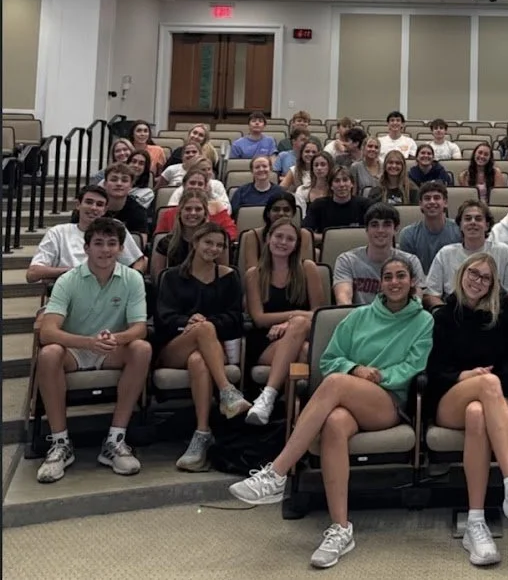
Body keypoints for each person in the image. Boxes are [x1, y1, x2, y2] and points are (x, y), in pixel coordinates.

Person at [229, 257, 434, 569]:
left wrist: (377, 376)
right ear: (380, 283)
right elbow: (330, 359)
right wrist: (356, 369)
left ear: (411, 282)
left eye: (401, 276)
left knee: (337, 383)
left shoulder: (424, 321)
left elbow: (415, 365)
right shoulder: (358, 317)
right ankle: (340, 529)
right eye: (388, 277)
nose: (394, 282)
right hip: (349, 398)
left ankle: (277, 472)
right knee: (335, 423)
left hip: (388, 401)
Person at [426, 252, 508, 564]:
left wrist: (495, 382)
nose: (478, 281)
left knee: (479, 412)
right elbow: (432, 368)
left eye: (485, 278)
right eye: (473, 273)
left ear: (493, 284)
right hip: (451, 396)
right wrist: (464, 376)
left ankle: (476, 522)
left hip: (497, 398)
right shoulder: (443, 315)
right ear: (461, 273)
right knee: (486, 386)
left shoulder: (506, 311)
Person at [34, 218, 151, 483]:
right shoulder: (68, 280)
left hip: (111, 348)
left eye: (112, 244)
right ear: (86, 248)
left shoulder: (132, 278)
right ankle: (61, 444)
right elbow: (48, 331)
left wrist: (115, 338)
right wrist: (87, 342)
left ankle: (115, 440)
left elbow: (139, 328)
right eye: (98, 243)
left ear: (121, 249)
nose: (105, 250)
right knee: (49, 352)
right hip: (75, 349)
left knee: (141, 348)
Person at [154, 223, 248, 470]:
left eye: (219, 245)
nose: (214, 249)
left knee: (198, 359)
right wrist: (190, 322)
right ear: (195, 243)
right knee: (203, 330)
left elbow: (235, 318)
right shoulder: (172, 276)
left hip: (210, 350)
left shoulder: (229, 276)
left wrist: (205, 324)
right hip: (173, 348)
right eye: (208, 242)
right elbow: (163, 318)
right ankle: (227, 392)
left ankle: (202, 434)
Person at [245, 218, 326, 426]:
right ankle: (298, 423)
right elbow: (259, 318)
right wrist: (296, 316)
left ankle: (268, 398)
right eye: (278, 236)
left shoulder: (307, 268)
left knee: (300, 339)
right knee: (302, 346)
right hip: (265, 342)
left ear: (296, 245)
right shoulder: (254, 274)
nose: (283, 242)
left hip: (301, 335)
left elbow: (320, 312)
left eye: (290, 239)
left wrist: (291, 324)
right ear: (268, 239)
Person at [28, 186, 144, 282]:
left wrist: (132, 280)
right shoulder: (58, 232)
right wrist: (74, 272)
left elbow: (140, 261)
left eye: (99, 204)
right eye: (89, 202)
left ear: (105, 210)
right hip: (68, 289)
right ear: (78, 205)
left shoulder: (115, 228)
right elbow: (32, 274)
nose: (94, 208)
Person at [427, 200, 508, 306]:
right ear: (460, 225)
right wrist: (445, 314)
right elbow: (432, 295)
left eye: (478, 219)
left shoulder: (503, 252)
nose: (473, 222)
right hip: (454, 314)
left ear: (487, 225)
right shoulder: (445, 254)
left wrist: (499, 314)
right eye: (467, 219)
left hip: (494, 315)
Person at [332, 203, 429, 305]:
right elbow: (344, 302)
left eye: (387, 225)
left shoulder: (411, 261)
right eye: (374, 225)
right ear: (366, 229)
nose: (380, 230)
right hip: (360, 318)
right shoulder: (347, 261)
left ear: (395, 229)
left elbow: (416, 302)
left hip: (400, 318)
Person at [240, 192, 314, 274]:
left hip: (294, 281)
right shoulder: (252, 235)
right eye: (276, 209)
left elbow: (300, 269)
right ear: (268, 213)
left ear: (293, 213)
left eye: (286, 210)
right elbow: (252, 270)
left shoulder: (303, 235)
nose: (281, 213)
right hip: (261, 281)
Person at [397, 181, 461, 271]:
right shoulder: (408, 235)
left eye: (436, 198)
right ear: (420, 204)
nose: (432, 202)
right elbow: (407, 270)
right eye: (427, 198)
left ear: (445, 202)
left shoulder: (459, 230)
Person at [156, 170, 238, 242]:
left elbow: (231, 233)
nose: (196, 187)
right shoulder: (169, 213)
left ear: (206, 187)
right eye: (192, 183)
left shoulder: (216, 208)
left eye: (200, 184)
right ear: (184, 185)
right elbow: (159, 237)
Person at [303, 166, 372, 244]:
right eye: (337, 181)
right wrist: (331, 238)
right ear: (331, 186)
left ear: (352, 184)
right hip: (327, 248)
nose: (342, 185)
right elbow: (305, 232)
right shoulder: (318, 205)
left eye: (345, 180)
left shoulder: (365, 205)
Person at [100, 163, 150, 242]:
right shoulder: (93, 206)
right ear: (105, 184)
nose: (119, 184)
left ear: (131, 186)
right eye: (114, 180)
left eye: (124, 180)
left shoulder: (139, 211)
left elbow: (140, 244)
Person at [295, 149, 335, 217]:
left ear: (330, 167)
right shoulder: (302, 190)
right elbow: (301, 217)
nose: (319, 168)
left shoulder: (336, 189)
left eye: (323, 164)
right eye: (316, 165)